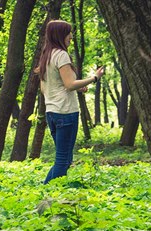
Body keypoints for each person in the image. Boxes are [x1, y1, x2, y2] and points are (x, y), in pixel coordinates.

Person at [37, 20, 104, 184]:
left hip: (52, 113)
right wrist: (94, 78)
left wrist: (76, 87)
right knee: (62, 160)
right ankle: (50, 194)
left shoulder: (47, 55)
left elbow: (46, 88)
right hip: (65, 113)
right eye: (68, 33)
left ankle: (46, 191)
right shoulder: (61, 55)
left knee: (65, 159)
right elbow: (69, 84)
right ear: (60, 35)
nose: (71, 37)